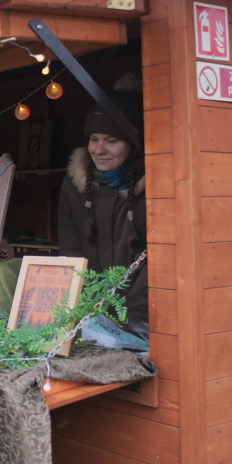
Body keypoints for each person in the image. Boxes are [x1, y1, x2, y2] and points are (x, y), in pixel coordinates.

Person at [57, 87, 148, 346]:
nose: (98, 149)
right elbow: (71, 253)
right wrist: (85, 312)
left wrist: (130, 320)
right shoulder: (73, 186)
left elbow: (158, 261)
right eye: (93, 138)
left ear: (133, 142)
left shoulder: (154, 188)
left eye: (111, 140)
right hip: (88, 317)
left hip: (143, 321)